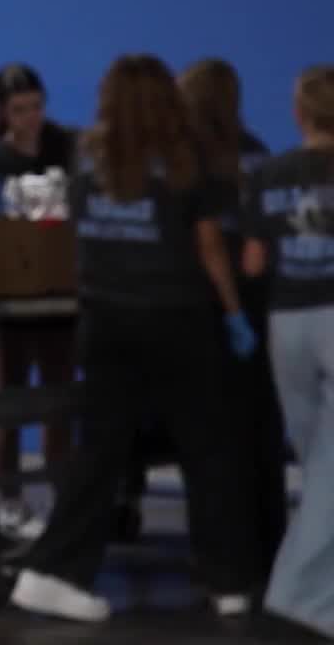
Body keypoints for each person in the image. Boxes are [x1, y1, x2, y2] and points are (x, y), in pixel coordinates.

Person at [12, 54, 260, 624]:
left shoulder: (89, 156)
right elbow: (210, 248)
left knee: (99, 452)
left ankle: (51, 572)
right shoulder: (189, 158)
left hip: (104, 320)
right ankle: (227, 580)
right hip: (177, 318)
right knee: (207, 450)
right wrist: (233, 314)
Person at [178, 58, 287, 561]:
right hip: (260, 301)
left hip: (202, 305)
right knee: (260, 424)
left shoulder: (182, 163)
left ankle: (220, 550)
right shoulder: (259, 155)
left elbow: (198, 242)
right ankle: (270, 538)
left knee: (211, 434)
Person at [241, 64, 334, 640]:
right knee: (329, 469)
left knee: (315, 456)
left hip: (285, 320)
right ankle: (299, 594)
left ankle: (315, 592)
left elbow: (253, 262)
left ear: (298, 113)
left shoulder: (270, 172)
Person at [0, 62, 76, 540]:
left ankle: (60, 495)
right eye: (19, 110)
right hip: (12, 298)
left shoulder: (66, 147)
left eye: (36, 107)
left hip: (59, 295)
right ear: (3, 112)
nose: (30, 118)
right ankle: (9, 499)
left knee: (59, 398)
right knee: (11, 401)